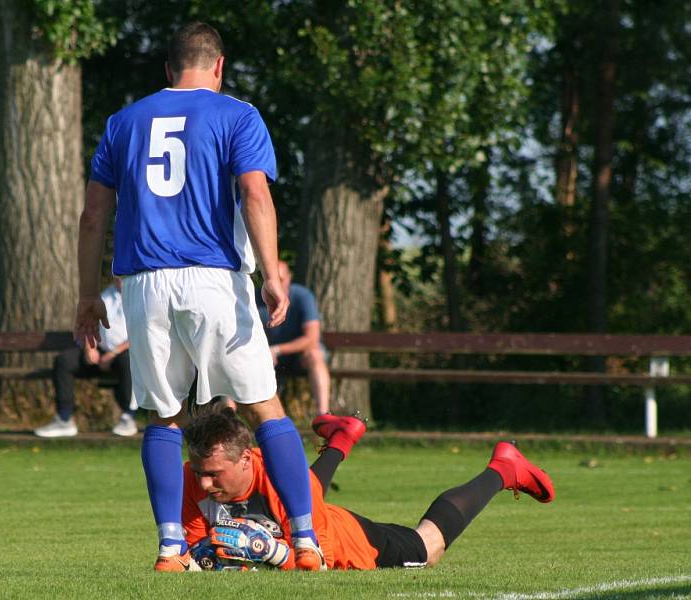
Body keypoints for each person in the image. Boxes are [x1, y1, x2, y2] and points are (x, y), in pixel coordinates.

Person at [74, 22, 324, 571]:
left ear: (168, 70)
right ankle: (304, 544)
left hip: (143, 283)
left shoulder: (122, 122)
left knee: (163, 418)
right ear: (219, 66)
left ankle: (170, 548)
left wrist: (87, 295)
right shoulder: (238, 115)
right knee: (265, 407)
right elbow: (256, 193)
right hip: (213, 277)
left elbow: (94, 214)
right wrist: (273, 277)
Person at [181, 405, 555, 571]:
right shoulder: (190, 478)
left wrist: (273, 554)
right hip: (301, 508)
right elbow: (196, 550)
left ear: (246, 458)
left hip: (349, 542)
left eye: (214, 473)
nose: (203, 482)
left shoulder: (280, 478)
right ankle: (343, 436)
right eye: (198, 471)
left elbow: (317, 562)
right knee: (299, 491)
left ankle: (502, 469)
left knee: (428, 547)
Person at [35, 279, 137, 438]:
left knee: (129, 361)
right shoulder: (104, 296)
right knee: (64, 361)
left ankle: (128, 416)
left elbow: (142, 333)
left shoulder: (141, 296)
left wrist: (113, 354)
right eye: (117, 275)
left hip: (125, 352)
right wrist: (90, 349)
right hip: (100, 351)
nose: (120, 279)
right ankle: (64, 418)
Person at [256, 261, 331, 415]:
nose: (275, 284)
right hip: (266, 357)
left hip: (297, 356)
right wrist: (263, 352)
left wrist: (276, 350)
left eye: (281, 279)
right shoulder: (253, 298)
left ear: (289, 279)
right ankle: (228, 416)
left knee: (315, 354)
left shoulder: (303, 296)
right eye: (271, 279)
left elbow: (312, 338)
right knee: (231, 358)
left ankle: (323, 416)